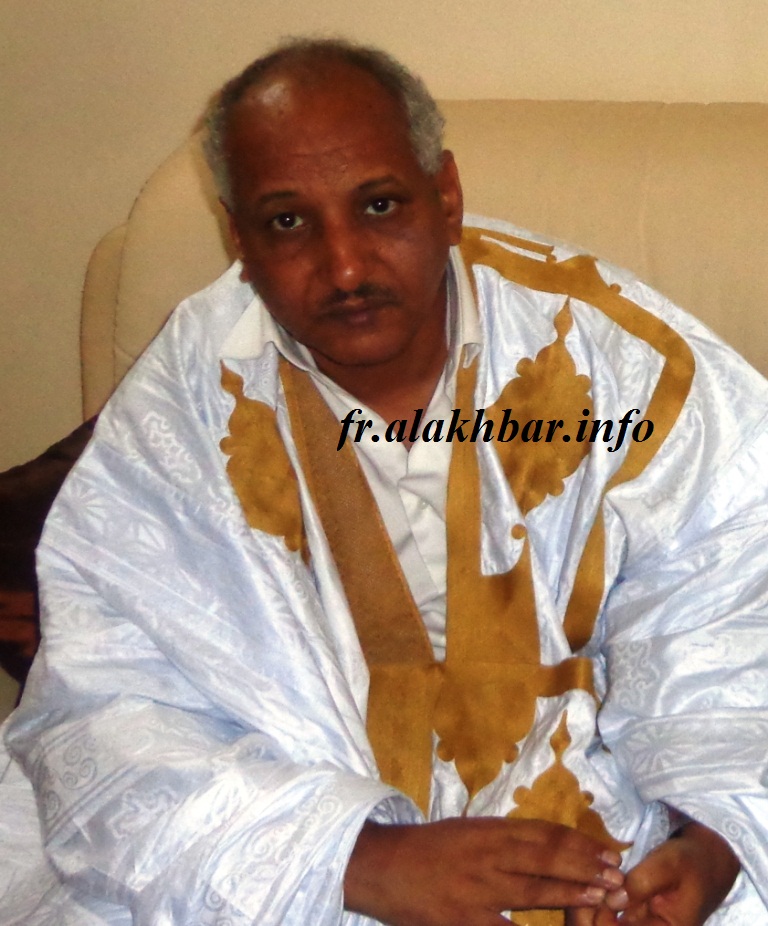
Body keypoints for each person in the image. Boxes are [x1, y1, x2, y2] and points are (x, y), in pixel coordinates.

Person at [0, 38, 766, 926]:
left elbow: (730, 614)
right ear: (239, 238)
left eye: (379, 205)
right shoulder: (188, 405)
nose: (346, 267)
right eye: (288, 223)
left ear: (446, 196)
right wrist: (357, 861)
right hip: (287, 845)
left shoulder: (621, 364)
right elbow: (112, 708)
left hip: (607, 833)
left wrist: (713, 840)